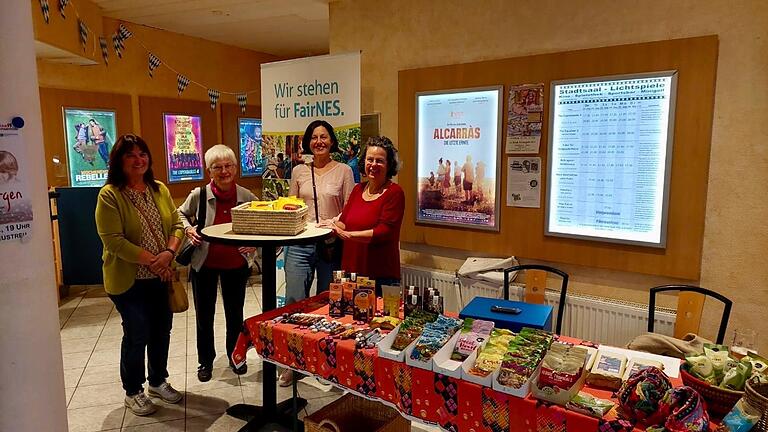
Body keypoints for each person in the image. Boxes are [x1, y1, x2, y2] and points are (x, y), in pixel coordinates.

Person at [94, 134, 184, 416]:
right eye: (131, 155)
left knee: (161, 331)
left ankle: (158, 380)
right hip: (128, 280)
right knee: (137, 333)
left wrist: (169, 254)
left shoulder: (158, 189)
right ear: (119, 161)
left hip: (161, 276)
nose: (138, 159)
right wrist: (153, 260)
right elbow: (114, 241)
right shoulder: (110, 195)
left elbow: (177, 224)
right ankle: (133, 391)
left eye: (142, 154)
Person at [280, 120, 354, 386]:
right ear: (308, 142)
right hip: (299, 244)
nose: (318, 141)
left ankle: (323, 361)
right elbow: (290, 206)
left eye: (323, 136)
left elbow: (350, 208)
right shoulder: (299, 171)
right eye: (314, 137)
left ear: (332, 141)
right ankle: (291, 361)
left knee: (327, 303)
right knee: (294, 300)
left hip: (330, 244)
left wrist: (333, 224)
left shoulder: (344, 171)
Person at [178, 144, 258, 382]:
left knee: (235, 314)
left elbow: (263, 221)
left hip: (236, 265)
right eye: (217, 167)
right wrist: (188, 228)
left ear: (235, 168)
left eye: (228, 166)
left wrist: (254, 243)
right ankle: (205, 361)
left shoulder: (246, 196)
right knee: (205, 316)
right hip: (205, 264)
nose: (224, 171)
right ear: (208, 170)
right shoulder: (199, 195)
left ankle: (236, 356)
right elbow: (180, 213)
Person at [329, 136, 405, 294]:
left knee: (382, 320)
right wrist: (329, 226)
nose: (373, 165)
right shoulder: (358, 190)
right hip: (351, 275)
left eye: (380, 161)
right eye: (370, 159)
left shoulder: (395, 193)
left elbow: (383, 232)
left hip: (381, 277)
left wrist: (349, 235)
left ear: (389, 164)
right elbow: (344, 222)